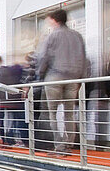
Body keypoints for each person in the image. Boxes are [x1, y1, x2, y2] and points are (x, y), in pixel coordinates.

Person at [35, 9, 88, 154]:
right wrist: (80, 77)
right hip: (73, 78)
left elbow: (43, 57)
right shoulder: (77, 36)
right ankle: (69, 143)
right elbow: (83, 58)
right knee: (69, 112)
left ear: (54, 20)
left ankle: (59, 145)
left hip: (54, 77)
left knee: (52, 113)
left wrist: (39, 74)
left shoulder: (52, 36)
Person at [0, 55, 26, 146]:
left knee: (6, 122)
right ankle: (10, 140)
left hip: (5, 102)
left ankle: (7, 140)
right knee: (11, 122)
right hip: (12, 101)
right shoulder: (9, 71)